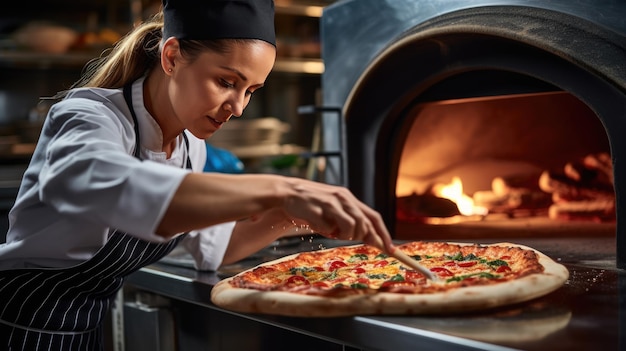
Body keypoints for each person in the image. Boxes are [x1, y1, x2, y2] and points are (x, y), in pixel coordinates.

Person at [0, 0, 395, 349]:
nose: (238, 107)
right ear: (171, 57)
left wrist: (292, 215)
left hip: (82, 330)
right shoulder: (88, 116)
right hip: (17, 321)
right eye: (227, 82)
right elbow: (110, 185)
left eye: (251, 90)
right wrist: (282, 187)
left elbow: (216, 247)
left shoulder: (192, 148)